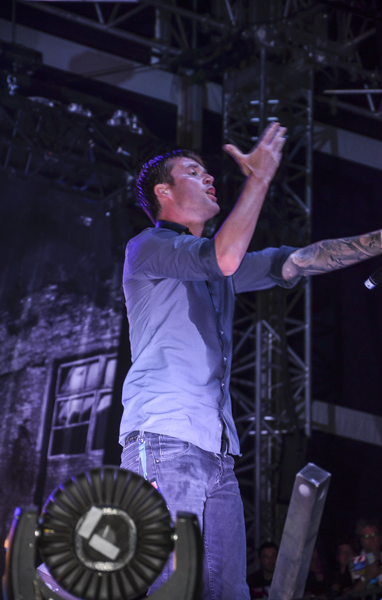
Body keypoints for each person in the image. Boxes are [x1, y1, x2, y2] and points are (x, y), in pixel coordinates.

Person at [118, 122, 382, 600]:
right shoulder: (148, 248)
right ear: (164, 192)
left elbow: (300, 261)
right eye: (193, 172)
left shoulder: (219, 267)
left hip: (217, 453)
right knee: (167, 586)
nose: (208, 177)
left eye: (206, 171)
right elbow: (221, 257)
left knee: (229, 590)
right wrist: (258, 180)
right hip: (163, 438)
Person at [351, 519, 382, 590]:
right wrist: (367, 577)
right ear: (361, 540)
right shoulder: (356, 563)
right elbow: (349, 593)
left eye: (374, 535)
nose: (371, 539)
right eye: (367, 536)